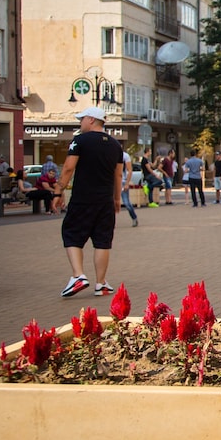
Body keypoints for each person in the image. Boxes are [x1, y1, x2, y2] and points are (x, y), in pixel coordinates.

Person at [54, 106, 123, 298]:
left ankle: (78, 275)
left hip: (83, 198)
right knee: (102, 241)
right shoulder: (115, 145)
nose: (80, 123)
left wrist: (58, 192)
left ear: (91, 120)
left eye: (82, 119)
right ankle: (101, 283)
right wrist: (117, 198)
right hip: (105, 201)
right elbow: (118, 174)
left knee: (72, 234)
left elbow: (68, 168)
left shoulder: (80, 141)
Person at [119, 151, 138, 227]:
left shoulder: (125, 156)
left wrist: (127, 183)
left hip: (123, 182)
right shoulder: (109, 154)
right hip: (112, 182)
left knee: (126, 203)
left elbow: (130, 170)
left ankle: (134, 218)